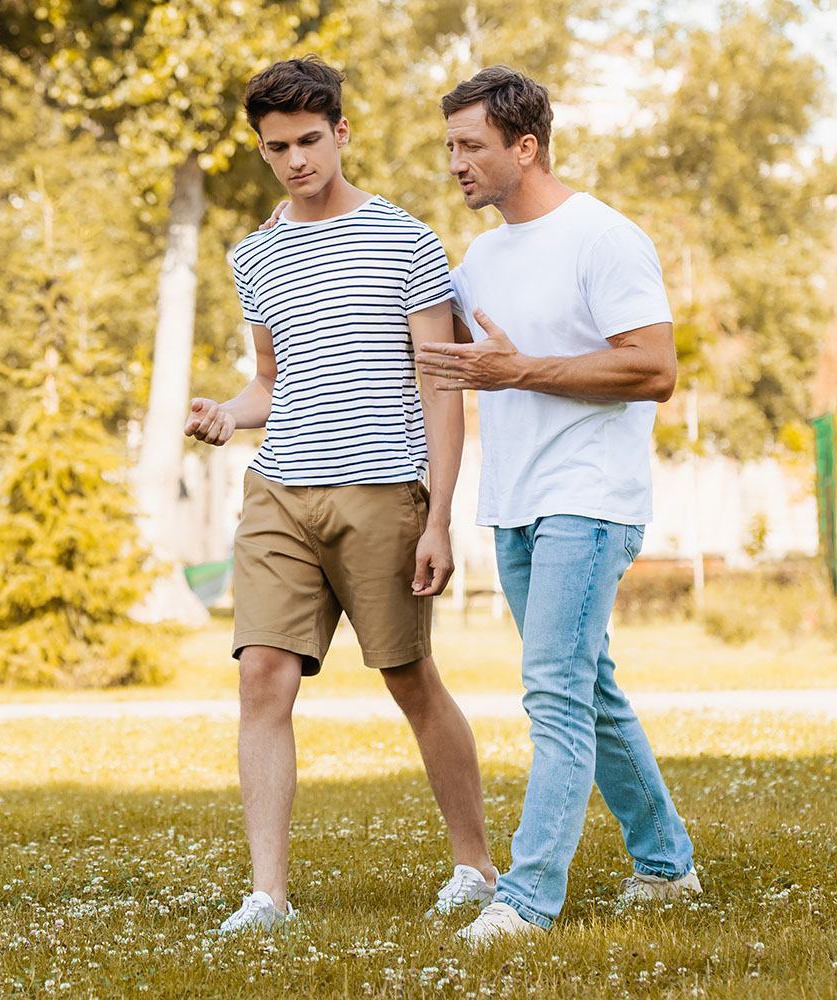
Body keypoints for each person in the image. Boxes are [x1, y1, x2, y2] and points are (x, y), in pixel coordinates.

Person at [183, 56, 496, 935]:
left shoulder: (407, 241)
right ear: (261, 148)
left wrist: (438, 514)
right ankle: (268, 896)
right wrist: (227, 413)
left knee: (410, 679)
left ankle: (474, 865)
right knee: (261, 681)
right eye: (276, 147)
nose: (295, 161)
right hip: (281, 491)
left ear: (342, 133)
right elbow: (272, 382)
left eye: (309, 141)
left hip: (380, 494)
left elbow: (442, 387)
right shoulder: (254, 255)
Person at [415, 66, 700, 944]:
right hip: (516, 501)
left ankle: (529, 897)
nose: (456, 163)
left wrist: (522, 370)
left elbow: (653, 368)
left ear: (525, 146)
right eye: (450, 145)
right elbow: (440, 358)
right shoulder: (482, 258)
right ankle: (666, 864)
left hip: (590, 496)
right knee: (590, 690)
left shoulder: (603, 238)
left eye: (471, 146)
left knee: (553, 695)